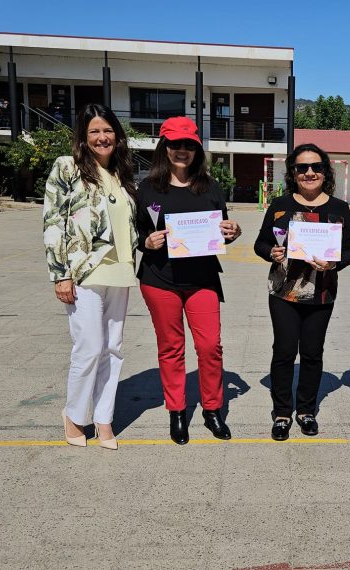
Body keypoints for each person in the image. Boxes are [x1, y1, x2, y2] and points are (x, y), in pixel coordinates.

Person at [136, 116, 242, 445]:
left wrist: (233, 232)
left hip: (202, 279)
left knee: (210, 347)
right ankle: (177, 412)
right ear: (164, 148)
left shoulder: (210, 187)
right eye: (175, 145)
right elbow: (137, 231)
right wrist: (146, 242)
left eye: (189, 145)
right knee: (171, 349)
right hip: (159, 278)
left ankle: (212, 409)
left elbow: (221, 230)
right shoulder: (148, 187)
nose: (182, 151)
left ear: (197, 150)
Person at [43, 103, 138, 450]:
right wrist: (59, 274)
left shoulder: (123, 173)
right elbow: (54, 221)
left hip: (121, 270)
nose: (102, 137)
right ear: (83, 137)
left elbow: (128, 225)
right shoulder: (67, 168)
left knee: (113, 348)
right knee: (89, 346)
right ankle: (73, 415)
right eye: (94, 131)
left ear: (117, 135)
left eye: (108, 130)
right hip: (84, 271)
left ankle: (103, 418)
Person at [254, 143, 350, 441]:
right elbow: (260, 243)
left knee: (312, 353)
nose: (309, 172)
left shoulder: (339, 208)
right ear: (293, 173)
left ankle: (306, 410)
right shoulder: (280, 206)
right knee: (284, 352)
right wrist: (270, 252)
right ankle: (283, 412)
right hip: (283, 291)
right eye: (302, 168)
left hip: (321, 293)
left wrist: (335, 263)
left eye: (316, 167)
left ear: (325, 171)